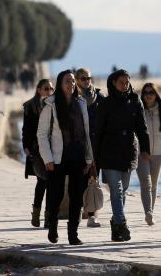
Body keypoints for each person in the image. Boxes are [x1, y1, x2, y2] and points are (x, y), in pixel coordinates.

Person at [92, 69, 150, 242]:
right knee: (116, 191)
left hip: (129, 151)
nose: (125, 85)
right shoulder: (105, 103)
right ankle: (122, 223)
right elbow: (98, 132)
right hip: (109, 152)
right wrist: (94, 159)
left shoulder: (135, 101)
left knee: (123, 191)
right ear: (113, 83)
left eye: (127, 82)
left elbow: (142, 127)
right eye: (121, 82)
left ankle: (115, 225)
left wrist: (146, 149)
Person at [37, 70, 93, 245]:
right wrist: (47, 158)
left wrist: (89, 158)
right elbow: (42, 134)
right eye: (67, 81)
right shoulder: (50, 105)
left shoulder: (81, 103)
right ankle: (52, 227)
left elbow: (86, 133)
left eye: (72, 81)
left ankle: (73, 234)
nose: (71, 84)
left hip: (78, 156)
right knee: (56, 195)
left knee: (76, 196)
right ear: (60, 84)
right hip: (57, 158)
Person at [75, 67, 105, 228]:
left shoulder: (99, 97)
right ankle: (81, 209)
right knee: (79, 180)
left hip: (95, 146)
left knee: (93, 179)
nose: (87, 81)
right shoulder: (73, 99)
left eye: (89, 78)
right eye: (83, 79)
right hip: (78, 146)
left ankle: (92, 215)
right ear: (77, 80)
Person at [136, 82, 161, 225]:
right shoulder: (138, 110)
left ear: (156, 94)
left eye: (151, 92)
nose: (148, 95)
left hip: (157, 153)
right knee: (146, 184)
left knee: (154, 185)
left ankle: (151, 212)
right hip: (141, 153)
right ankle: (148, 212)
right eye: (146, 93)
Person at [23, 78, 54, 228]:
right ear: (39, 90)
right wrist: (26, 148)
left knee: (50, 183)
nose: (49, 91)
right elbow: (26, 130)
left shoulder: (55, 105)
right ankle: (36, 213)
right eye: (46, 89)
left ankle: (48, 217)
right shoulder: (30, 107)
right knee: (42, 181)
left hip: (53, 149)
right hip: (36, 150)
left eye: (51, 89)